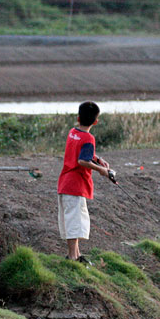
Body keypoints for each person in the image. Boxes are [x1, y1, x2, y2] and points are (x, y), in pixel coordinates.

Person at [57, 101, 112, 263]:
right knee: (75, 222)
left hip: (65, 183)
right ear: (96, 121)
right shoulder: (89, 138)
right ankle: (73, 257)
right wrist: (102, 170)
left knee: (74, 220)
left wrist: (98, 159)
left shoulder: (72, 132)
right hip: (75, 185)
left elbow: (82, 151)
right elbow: (82, 160)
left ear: (78, 118)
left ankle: (77, 255)